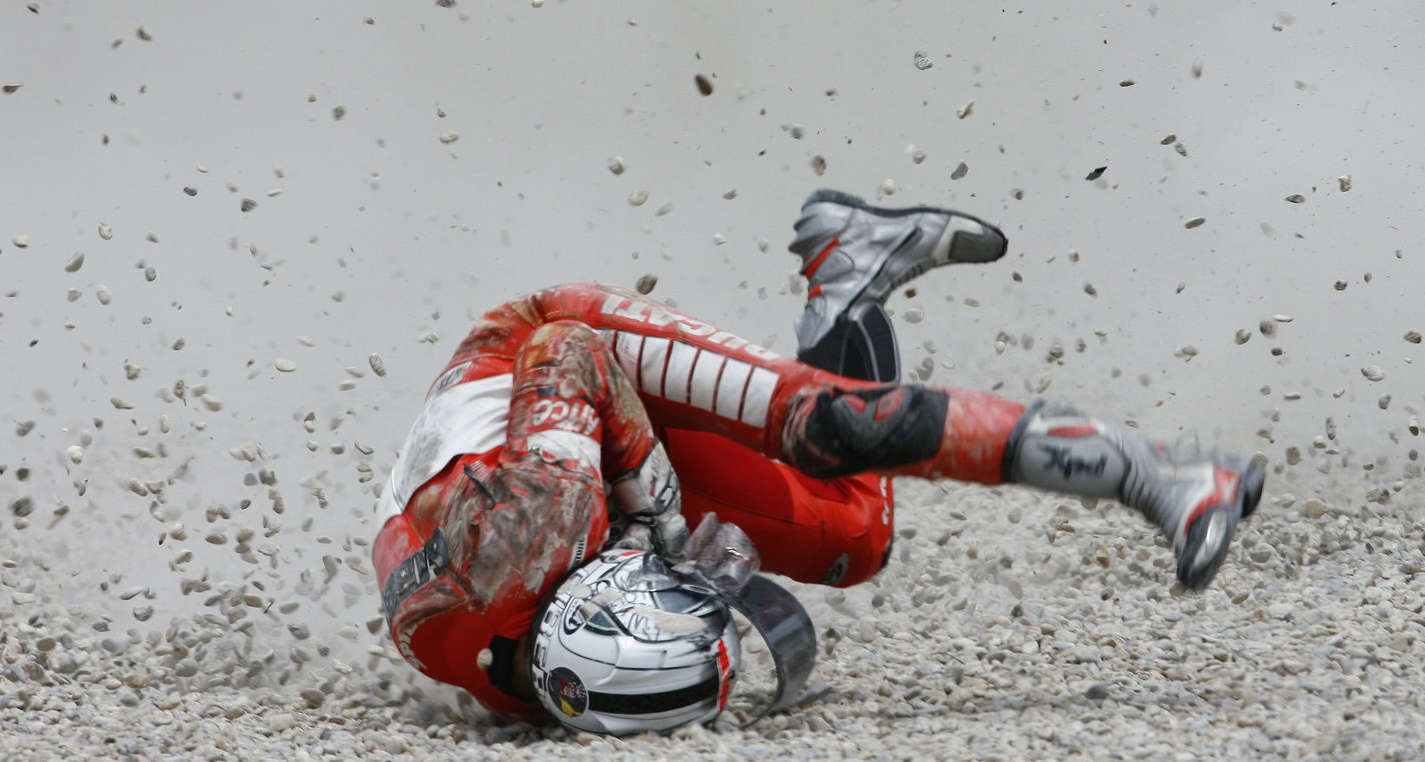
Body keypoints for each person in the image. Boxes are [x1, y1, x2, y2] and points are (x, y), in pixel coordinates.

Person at [370, 190, 1264, 734]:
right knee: (855, 534)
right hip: (567, 481)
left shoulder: (536, 530)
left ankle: (1152, 471)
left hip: (545, 356)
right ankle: (850, 277)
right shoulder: (528, 678)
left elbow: (568, 349)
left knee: (822, 422)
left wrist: (654, 517)